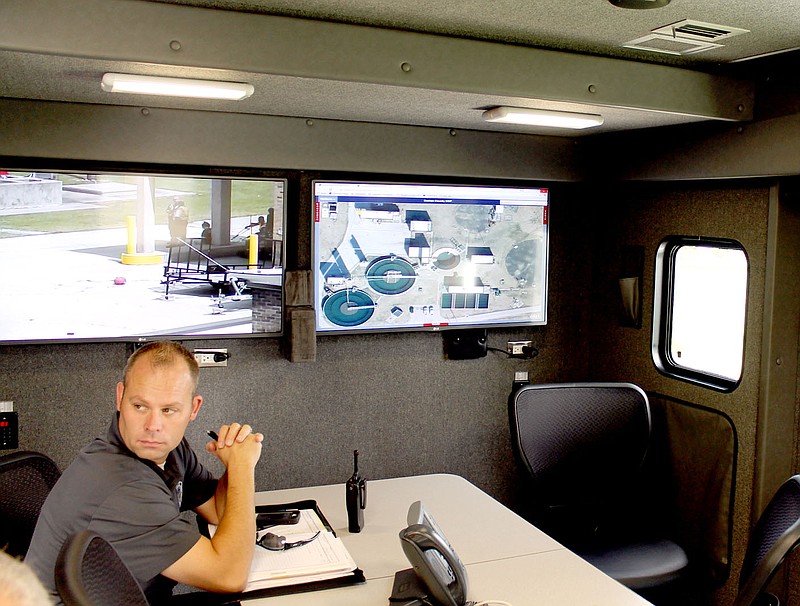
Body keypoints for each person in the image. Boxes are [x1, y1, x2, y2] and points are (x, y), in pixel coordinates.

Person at [26, 341, 264, 605]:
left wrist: (235, 460)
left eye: (169, 410)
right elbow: (229, 576)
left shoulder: (167, 449)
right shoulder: (123, 487)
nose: (153, 426)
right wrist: (243, 467)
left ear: (193, 409)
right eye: (140, 406)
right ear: (120, 397)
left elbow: (218, 511)